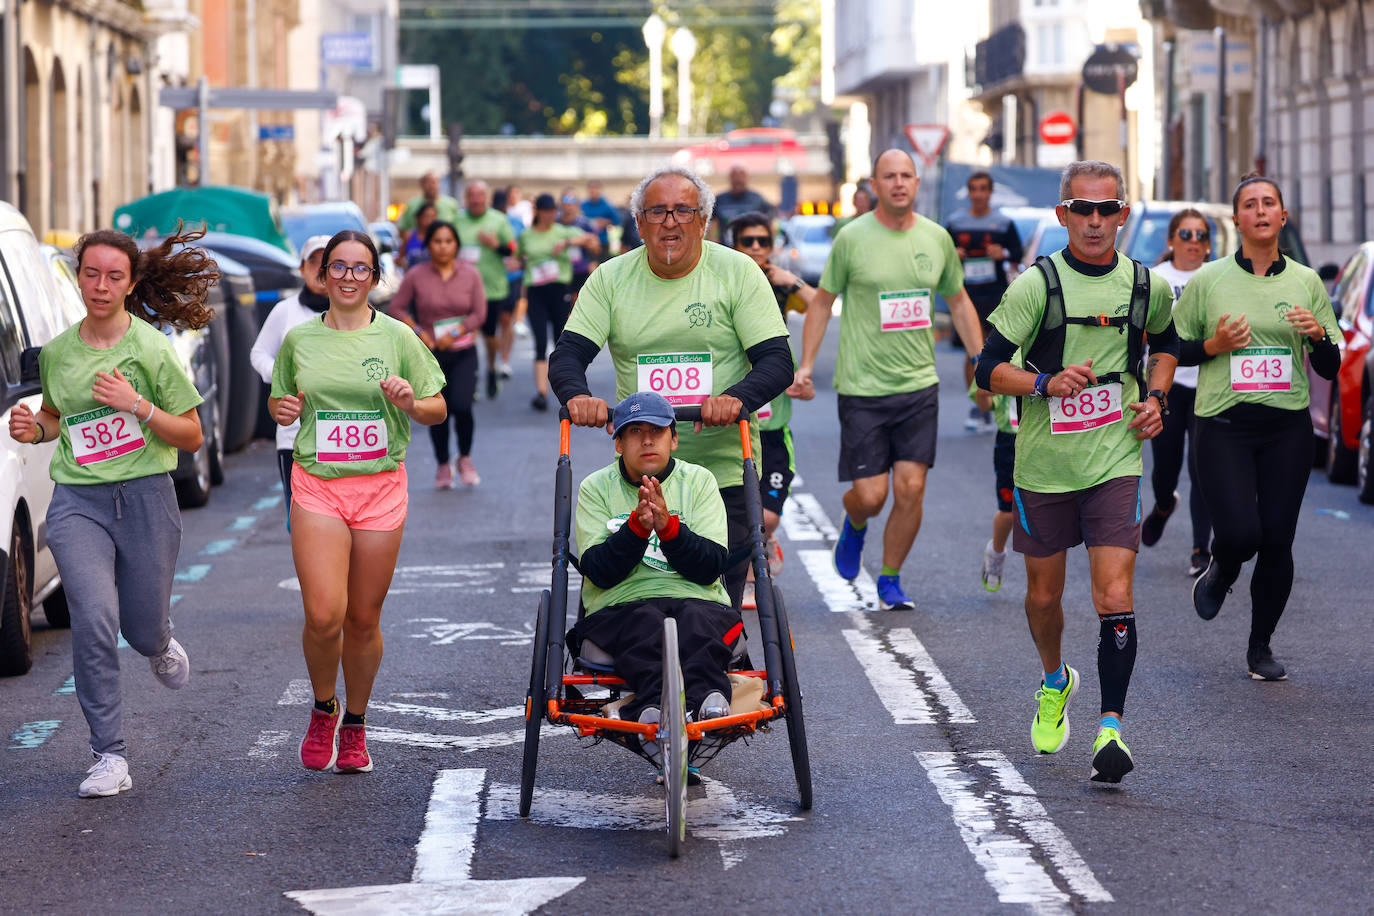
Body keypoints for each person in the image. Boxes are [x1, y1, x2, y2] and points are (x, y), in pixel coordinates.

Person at [975, 159, 1179, 784]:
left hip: (1116, 459)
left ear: (1123, 213)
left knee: (1114, 594)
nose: (1095, 221)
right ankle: (1055, 680)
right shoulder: (1036, 286)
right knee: (1043, 596)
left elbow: (1169, 344)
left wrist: (1157, 399)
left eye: (1107, 208)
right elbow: (986, 370)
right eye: (1083, 210)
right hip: (1044, 466)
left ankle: (1111, 728)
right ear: (1063, 215)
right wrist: (1043, 382)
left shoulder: (1148, 285)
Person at [8, 225, 217, 797]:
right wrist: (34, 428)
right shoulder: (57, 353)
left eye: (114, 277)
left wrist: (138, 405)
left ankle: (160, 640)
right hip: (79, 502)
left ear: (130, 284)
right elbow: (55, 415)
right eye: (91, 274)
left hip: (147, 497)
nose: (100, 286)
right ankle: (109, 756)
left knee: (140, 630)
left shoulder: (151, 349)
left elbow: (193, 437)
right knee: (94, 621)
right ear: (78, 277)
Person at [548, 164, 794, 611]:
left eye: (683, 211)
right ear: (639, 223)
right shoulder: (610, 278)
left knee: (714, 603)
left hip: (724, 471)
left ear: (704, 221)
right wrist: (577, 396)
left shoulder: (738, 272)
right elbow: (568, 355)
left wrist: (736, 398)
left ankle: (709, 677)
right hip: (638, 473)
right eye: (657, 212)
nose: (670, 223)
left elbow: (777, 361)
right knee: (629, 597)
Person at [269, 230, 447, 774]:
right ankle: (324, 706)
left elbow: (437, 408)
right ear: (322, 275)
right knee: (324, 615)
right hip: (319, 483)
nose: (348, 277)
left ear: (375, 276)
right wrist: (281, 411)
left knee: (363, 619)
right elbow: (281, 401)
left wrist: (411, 402)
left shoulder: (398, 337)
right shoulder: (299, 340)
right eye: (338, 267)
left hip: (379, 486)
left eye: (360, 268)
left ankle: (356, 724)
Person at [794, 149, 987, 611]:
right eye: (889, 176)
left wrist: (983, 364)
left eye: (906, 175)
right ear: (875, 185)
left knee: (912, 487)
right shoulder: (852, 239)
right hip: (862, 386)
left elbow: (958, 302)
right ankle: (855, 521)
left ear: (917, 183)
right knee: (871, 495)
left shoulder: (937, 238)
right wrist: (805, 365)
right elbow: (821, 302)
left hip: (919, 384)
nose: (899, 183)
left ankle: (890, 577)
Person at [1175, 174, 1341, 681]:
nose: (1262, 210)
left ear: (1283, 217)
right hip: (1223, 423)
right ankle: (1223, 566)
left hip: (1286, 427)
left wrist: (1316, 339)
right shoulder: (1210, 279)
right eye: (1251, 204)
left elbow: (1331, 367)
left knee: (1277, 540)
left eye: (1270, 203)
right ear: (1237, 220)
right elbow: (1172, 349)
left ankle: (1260, 646)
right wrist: (1213, 345)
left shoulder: (1307, 283)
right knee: (1241, 533)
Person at [570, 392, 740, 767]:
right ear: (618, 441)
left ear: (674, 439)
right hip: (621, 605)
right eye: (635, 432)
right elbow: (597, 569)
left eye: (657, 431)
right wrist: (635, 529)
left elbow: (711, 564)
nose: (647, 440)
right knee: (646, 624)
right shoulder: (595, 487)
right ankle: (650, 709)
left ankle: (709, 696)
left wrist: (667, 527)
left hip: (698, 598)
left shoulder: (699, 481)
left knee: (694, 622)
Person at [727, 211, 815, 607]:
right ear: (735, 246)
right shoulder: (724, 283)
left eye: (764, 241)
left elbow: (822, 306)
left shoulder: (781, 286)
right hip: (733, 419)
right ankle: (747, 576)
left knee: (768, 517)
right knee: (740, 510)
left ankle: (764, 538)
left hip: (774, 422)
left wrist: (791, 280)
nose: (757, 248)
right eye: (749, 242)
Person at [1140, 209, 1214, 576]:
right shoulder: (1156, 280)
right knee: (1166, 469)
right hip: (1165, 387)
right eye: (1186, 234)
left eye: (1202, 235)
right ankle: (1164, 505)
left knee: (1203, 469)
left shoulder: (1216, 278)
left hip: (1208, 385)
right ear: (1171, 241)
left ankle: (1202, 549)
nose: (1194, 242)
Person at [389, 220, 487, 488]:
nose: (443, 247)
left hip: (463, 350)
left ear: (456, 245)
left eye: (449, 241)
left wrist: (455, 332)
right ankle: (443, 464)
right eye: (437, 241)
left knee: (462, 406)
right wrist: (419, 331)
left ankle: (464, 458)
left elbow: (479, 313)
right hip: (430, 354)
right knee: (437, 410)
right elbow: (397, 308)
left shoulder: (470, 274)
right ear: (429, 245)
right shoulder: (416, 275)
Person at [252, 235, 332, 521]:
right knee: (301, 522)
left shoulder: (353, 313)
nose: (321, 269)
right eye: (314, 261)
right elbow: (259, 353)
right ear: (302, 269)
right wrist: (282, 378)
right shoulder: (285, 311)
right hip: (294, 437)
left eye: (329, 263)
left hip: (344, 438)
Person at [946, 170, 1024, 432]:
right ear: (968, 193)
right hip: (965, 295)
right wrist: (952, 253)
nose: (978, 194)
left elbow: (1017, 253)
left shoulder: (1002, 223)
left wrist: (1000, 253)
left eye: (983, 189)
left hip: (995, 296)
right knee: (973, 352)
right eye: (974, 189)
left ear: (990, 192)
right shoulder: (956, 223)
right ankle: (977, 407)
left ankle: (994, 402)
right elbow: (942, 253)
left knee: (994, 352)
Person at [520, 193, 599, 412]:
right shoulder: (527, 235)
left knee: (560, 341)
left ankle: (566, 388)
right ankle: (541, 393)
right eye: (545, 211)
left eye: (552, 212)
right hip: (536, 291)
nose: (549, 215)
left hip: (558, 290)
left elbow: (590, 240)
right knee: (538, 340)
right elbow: (519, 257)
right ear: (537, 212)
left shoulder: (563, 231)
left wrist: (567, 242)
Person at [456, 180, 517, 399]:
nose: (476, 200)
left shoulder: (498, 220)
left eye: (480, 195)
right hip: (462, 289)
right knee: (466, 334)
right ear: (466, 198)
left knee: (490, 336)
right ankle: (468, 377)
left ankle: (491, 366)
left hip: (491, 289)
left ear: (486, 198)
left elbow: (512, 249)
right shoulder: (457, 220)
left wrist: (494, 244)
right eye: (472, 195)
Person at [971, 376, 1017, 592]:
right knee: (1008, 512)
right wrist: (983, 393)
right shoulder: (1004, 353)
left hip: (1050, 438)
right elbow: (984, 404)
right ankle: (996, 552)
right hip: (1011, 441)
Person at [397, 172, 461, 255]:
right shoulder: (412, 205)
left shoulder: (451, 204)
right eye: (427, 182)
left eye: (434, 182)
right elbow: (403, 229)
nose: (431, 185)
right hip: (417, 251)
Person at [712, 165, 774, 242]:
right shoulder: (720, 199)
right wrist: (714, 239)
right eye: (734, 175)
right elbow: (712, 222)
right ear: (730, 178)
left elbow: (769, 221)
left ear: (747, 177)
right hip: (726, 247)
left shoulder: (757, 199)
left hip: (750, 246)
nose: (738, 179)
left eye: (741, 175)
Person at [558, 189, 598, 299]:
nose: (569, 204)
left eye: (572, 200)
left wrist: (584, 242)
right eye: (566, 200)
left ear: (577, 203)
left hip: (581, 269)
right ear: (561, 203)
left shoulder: (585, 223)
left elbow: (595, 247)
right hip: (560, 270)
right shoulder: (555, 222)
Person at [580, 179, 620, 258]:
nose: (594, 191)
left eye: (596, 189)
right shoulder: (583, 205)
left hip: (604, 242)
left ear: (600, 191)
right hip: (587, 243)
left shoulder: (607, 205)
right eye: (591, 189)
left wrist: (606, 222)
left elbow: (617, 221)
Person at [398, 203, 437, 272]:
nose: (430, 221)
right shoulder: (409, 236)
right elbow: (399, 259)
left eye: (433, 217)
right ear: (418, 218)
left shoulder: (438, 238)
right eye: (427, 216)